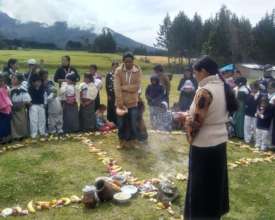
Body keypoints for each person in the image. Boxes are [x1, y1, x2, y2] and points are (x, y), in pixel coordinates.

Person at [183, 56, 238, 220]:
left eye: (195, 73)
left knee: (200, 187)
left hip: (203, 145)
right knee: (215, 183)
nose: (194, 76)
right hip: (220, 141)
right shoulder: (223, 85)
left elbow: (196, 124)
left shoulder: (205, 91)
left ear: (204, 72)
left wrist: (185, 119)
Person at [114, 52, 142, 147]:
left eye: (130, 61)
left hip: (133, 103)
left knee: (133, 123)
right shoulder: (118, 71)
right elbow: (117, 88)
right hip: (120, 103)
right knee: (121, 124)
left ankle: (133, 141)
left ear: (133, 61)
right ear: (123, 62)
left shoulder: (137, 71)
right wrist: (120, 102)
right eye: (126, 62)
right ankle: (122, 141)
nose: (128, 64)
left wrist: (123, 87)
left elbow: (136, 87)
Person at [10, 73, 31, 140]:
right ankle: (15, 135)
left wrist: (23, 103)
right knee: (14, 123)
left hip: (21, 108)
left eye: (14, 79)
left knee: (21, 122)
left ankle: (22, 134)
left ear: (19, 81)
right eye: (12, 79)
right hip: (13, 108)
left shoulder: (23, 90)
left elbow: (27, 101)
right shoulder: (11, 90)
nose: (12, 80)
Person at [28, 74, 47, 138]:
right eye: (37, 81)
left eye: (40, 81)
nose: (39, 83)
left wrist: (44, 104)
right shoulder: (30, 89)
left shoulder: (42, 89)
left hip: (41, 105)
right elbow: (28, 98)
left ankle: (42, 132)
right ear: (33, 82)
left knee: (42, 119)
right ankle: (34, 133)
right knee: (34, 120)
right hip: (33, 105)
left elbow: (45, 96)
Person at [0, 74, 12, 144]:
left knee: (6, 125)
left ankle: (5, 138)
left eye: (3, 81)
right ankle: (2, 138)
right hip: (4, 110)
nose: (2, 82)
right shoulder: (2, 90)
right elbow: (5, 100)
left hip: (7, 109)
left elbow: (7, 98)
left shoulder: (4, 89)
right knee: (3, 125)